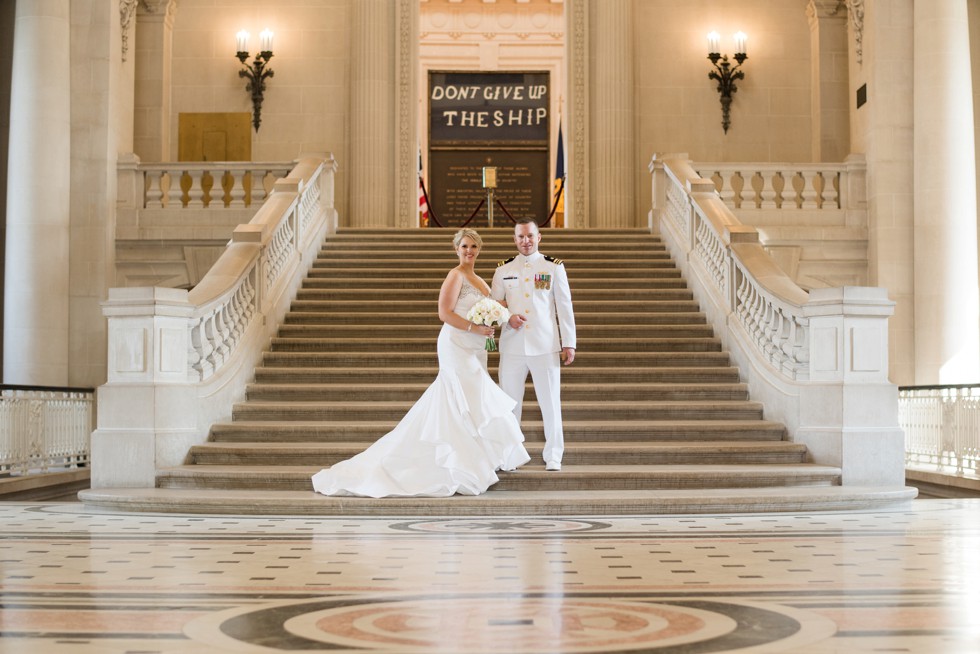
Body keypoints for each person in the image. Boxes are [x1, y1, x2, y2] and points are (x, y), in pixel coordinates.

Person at [312, 228, 530, 497]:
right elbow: (444, 313)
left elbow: (496, 306)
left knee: (472, 399)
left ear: (479, 250)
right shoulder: (455, 275)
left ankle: (474, 458)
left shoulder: (480, 280)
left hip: (475, 348)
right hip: (456, 345)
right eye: (464, 247)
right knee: (462, 397)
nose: (469, 251)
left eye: (473, 247)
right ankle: (456, 461)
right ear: (456, 249)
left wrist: (498, 319)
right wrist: (475, 328)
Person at [491, 219, 576, 471]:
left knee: (550, 402)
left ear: (539, 237)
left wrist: (568, 342)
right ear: (514, 239)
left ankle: (554, 454)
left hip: (544, 345)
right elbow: (494, 306)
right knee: (509, 404)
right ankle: (510, 455)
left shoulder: (553, 267)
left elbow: (564, 305)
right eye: (520, 237)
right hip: (513, 346)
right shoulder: (503, 269)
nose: (525, 241)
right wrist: (507, 318)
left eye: (529, 236)